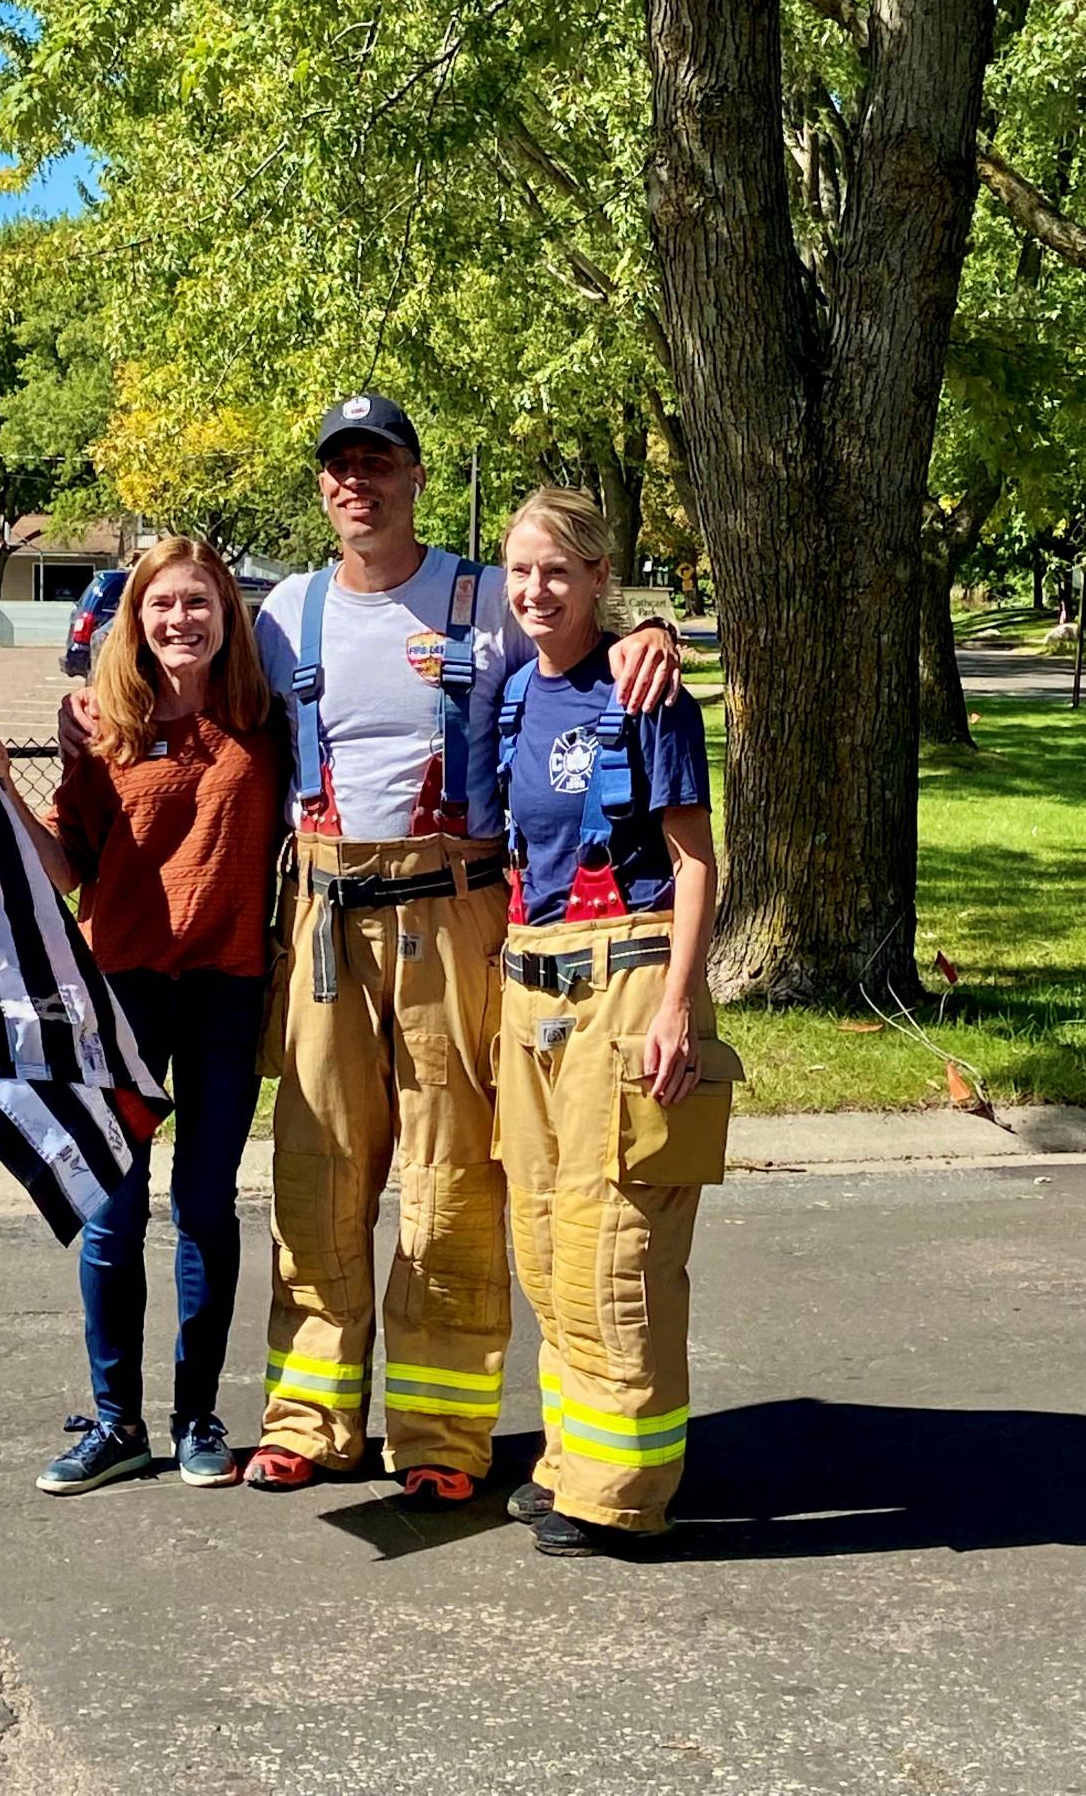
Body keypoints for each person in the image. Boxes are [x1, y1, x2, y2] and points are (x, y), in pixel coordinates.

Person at [243, 394, 681, 1504]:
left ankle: (441, 1437)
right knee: (316, 1165)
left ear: (415, 478)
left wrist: (652, 636)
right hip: (328, 911)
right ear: (323, 486)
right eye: (341, 467)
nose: (360, 484)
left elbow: (580, 637)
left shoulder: (483, 599)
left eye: (379, 464)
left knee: (452, 1174)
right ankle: (307, 1415)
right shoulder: (283, 613)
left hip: (452, 908)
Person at [0, 536, 285, 1493]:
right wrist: (3, 784)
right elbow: (68, 866)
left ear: (226, 613)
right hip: (120, 992)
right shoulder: (104, 726)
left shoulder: (267, 719)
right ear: (136, 619)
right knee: (112, 1217)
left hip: (227, 986)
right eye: (162, 605)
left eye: (197, 602)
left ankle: (197, 1417)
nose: (180, 621)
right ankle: (117, 1424)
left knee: (206, 1207)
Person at [493, 488, 742, 1557]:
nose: (536, 591)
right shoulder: (511, 696)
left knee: (621, 1243)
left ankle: (625, 1494)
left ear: (599, 577)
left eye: (558, 571)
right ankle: (571, 1461)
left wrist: (680, 1005)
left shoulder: (649, 698)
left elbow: (695, 863)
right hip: (535, 983)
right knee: (547, 1239)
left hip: (631, 980)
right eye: (519, 573)